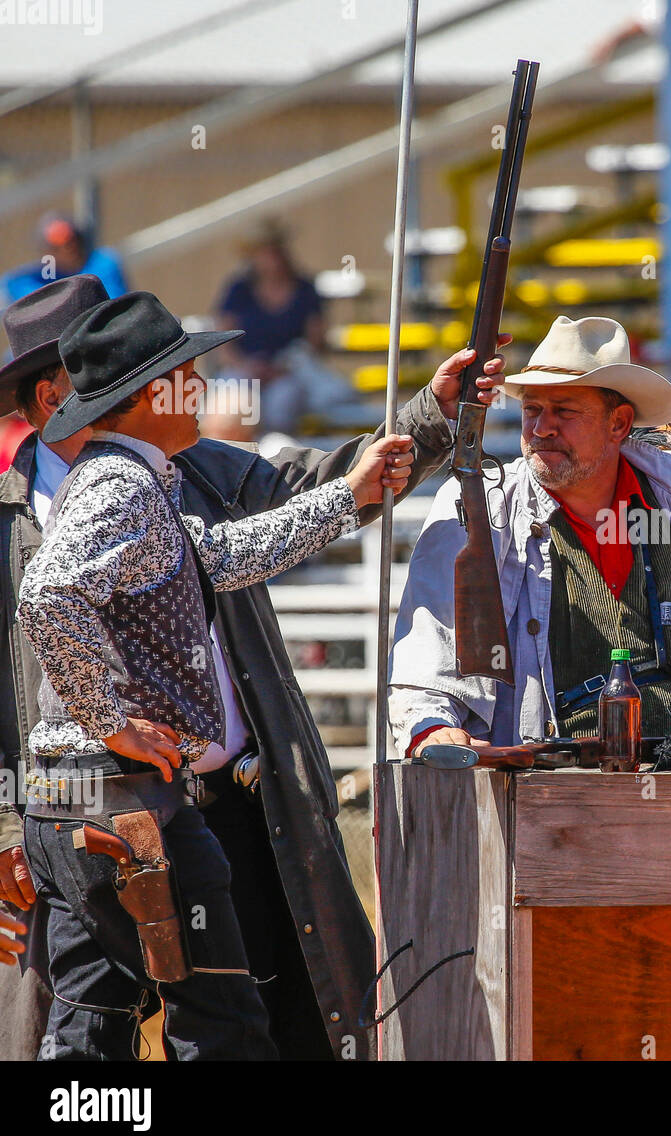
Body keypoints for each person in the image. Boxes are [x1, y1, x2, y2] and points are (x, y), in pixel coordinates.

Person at [0, 275, 504, 1060]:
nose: (202, 388)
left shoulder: (144, 479)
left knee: (87, 1032)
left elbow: (220, 553)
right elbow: (47, 596)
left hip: (110, 800)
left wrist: (347, 495)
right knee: (223, 1025)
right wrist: (110, 722)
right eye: (182, 375)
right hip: (129, 801)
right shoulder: (122, 484)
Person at [389, 315, 671, 758]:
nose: (542, 429)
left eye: (564, 411)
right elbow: (430, 648)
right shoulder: (480, 508)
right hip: (547, 785)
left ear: (618, 424)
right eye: (532, 410)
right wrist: (428, 727)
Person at [214, 220, 351, 434]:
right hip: (245, 370)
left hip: (289, 372)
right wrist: (247, 366)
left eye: (274, 250)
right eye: (263, 251)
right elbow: (223, 340)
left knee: (282, 404)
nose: (271, 258)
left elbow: (315, 340)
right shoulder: (239, 290)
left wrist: (282, 367)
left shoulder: (305, 288)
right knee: (231, 405)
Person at [2, 213, 128, 306]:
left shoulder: (101, 263)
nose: (68, 249)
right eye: (57, 247)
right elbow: (16, 286)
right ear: (47, 252)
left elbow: (116, 301)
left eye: (71, 241)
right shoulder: (44, 276)